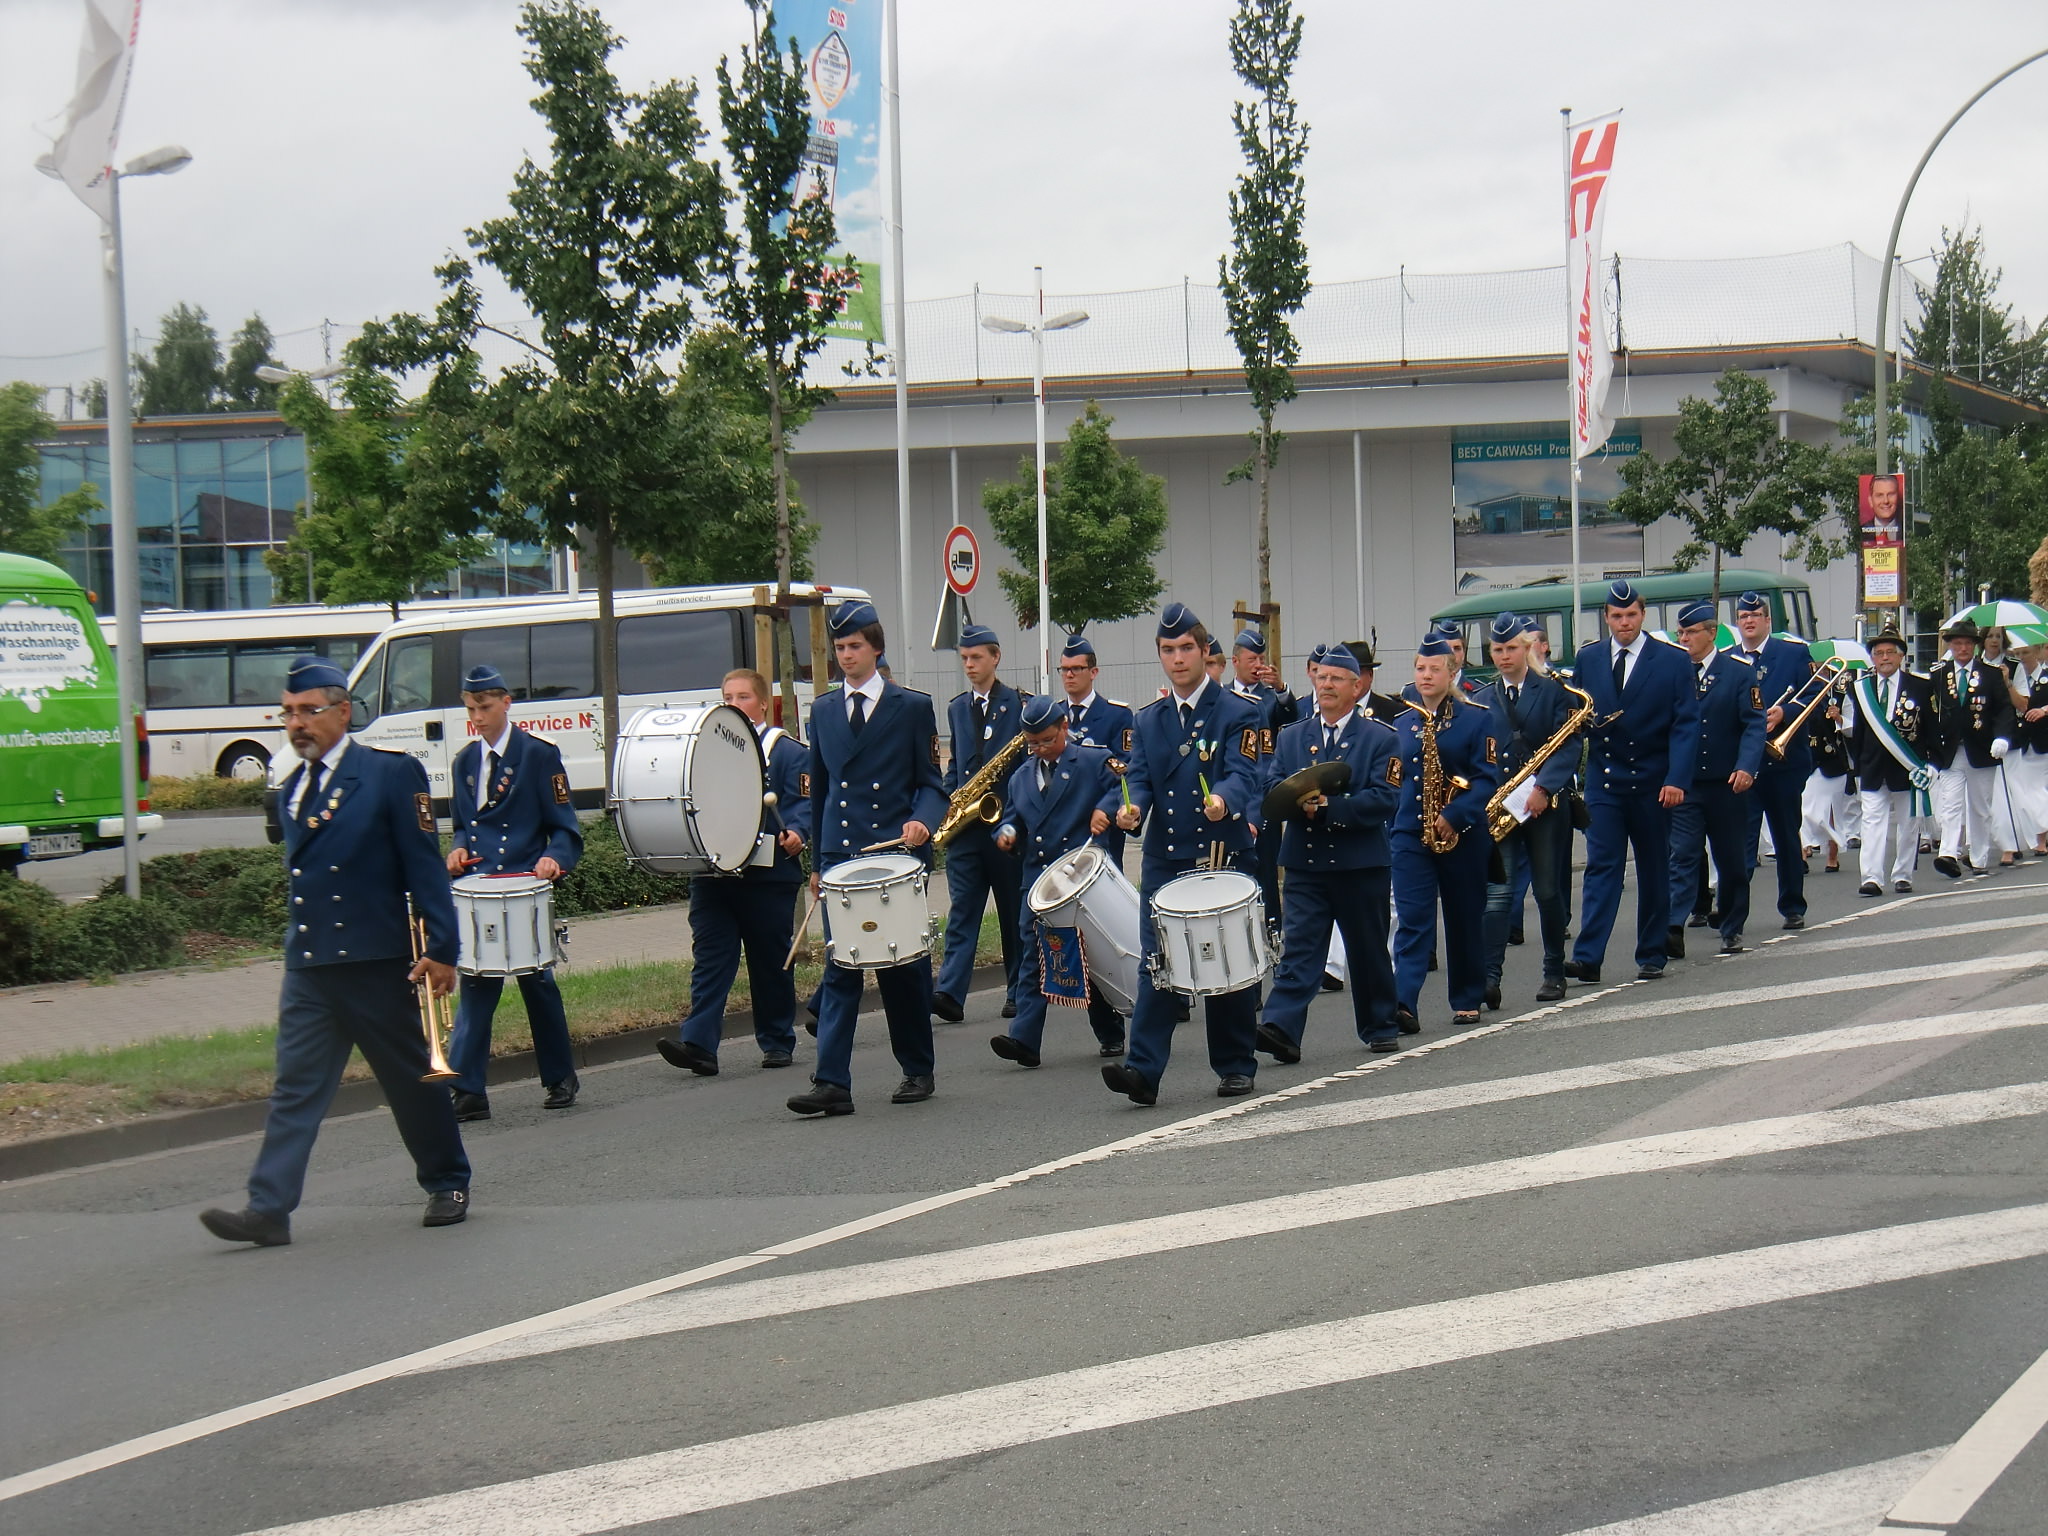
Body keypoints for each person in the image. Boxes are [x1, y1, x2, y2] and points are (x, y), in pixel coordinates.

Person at [199, 657, 471, 1246]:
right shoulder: (293, 788)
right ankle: (268, 1209)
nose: (297, 724)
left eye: (309, 711)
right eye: (288, 713)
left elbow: (424, 868)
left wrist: (443, 949)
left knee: (410, 1080)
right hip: (312, 965)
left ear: (343, 712)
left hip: (375, 962)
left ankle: (448, 1181)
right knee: (295, 1087)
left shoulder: (387, 775)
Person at [788, 600, 950, 1116]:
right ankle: (832, 1082)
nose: (846, 656)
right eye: (839, 647)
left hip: (893, 855)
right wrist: (817, 864)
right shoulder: (824, 711)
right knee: (842, 966)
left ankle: (917, 1069)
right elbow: (820, 792)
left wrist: (922, 821)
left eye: (854, 646)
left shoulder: (911, 707)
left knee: (902, 967)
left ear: (876, 649)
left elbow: (932, 785)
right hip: (842, 855)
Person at [1100, 602, 1266, 1105]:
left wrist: (1224, 801)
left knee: (1225, 957)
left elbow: (1244, 773)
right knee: (1158, 961)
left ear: (1204, 650)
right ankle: (1143, 1071)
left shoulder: (1239, 711)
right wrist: (1131, 811)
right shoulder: (1149, 719)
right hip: (1167, 856)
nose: (1178, 658)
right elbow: (1141, 779)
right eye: (1168, 650)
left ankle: (1235, 1064)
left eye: (1186, 648)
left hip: (1220, 852)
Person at [442, 665, 584, 1121]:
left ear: (506, 703)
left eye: (484, 707)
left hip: (524, 888)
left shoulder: (538, 755)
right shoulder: (464, 761)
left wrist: (554, 859)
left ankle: (560, 1076)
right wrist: (457, 849)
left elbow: (565, 828)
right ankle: (468, 1089)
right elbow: (463, 826)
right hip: (481, 891)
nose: (477, 717)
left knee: (537, 983)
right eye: (470, 709)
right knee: (476, 985)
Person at [657, 668, 813, 1076]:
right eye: (727, 697)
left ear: (763, 704)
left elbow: (804, 803)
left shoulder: (786, 751)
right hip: (714, 875)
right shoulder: (704, 750)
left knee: (769, 961)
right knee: (711, 958)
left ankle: (777, 1040)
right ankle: (699, 1044)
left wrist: (798, 832)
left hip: (768, 876)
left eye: (743, 697)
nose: (734, 704)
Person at [1255, 643, 1402, 1059]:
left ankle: (1380, 1024)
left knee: (1367, 949)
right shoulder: (1292, 736)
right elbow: (1271, 785)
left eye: (1337, 678)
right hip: (1306, 862)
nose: (1327, 685)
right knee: (1300, 948)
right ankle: (1281, 1027)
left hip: (1361, 864)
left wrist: (1331, 808)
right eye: (1321, 677)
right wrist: (1297, 799)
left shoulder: (1380, 738)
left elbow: (1385, 797)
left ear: (1357, 687)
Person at [1566, 580, 1700, 985]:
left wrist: (1677, 779)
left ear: (1642, 615)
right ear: (1606, 618)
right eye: (1617, 616)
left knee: (1653, 868)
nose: (1624, 623)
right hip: (1605, 781)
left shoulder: (1672, 660)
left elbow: (1685, 725)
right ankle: (1588, 957)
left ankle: (1652, 951)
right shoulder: (1589, 658)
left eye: (1631, 615)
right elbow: (1576, 717)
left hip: (1653, 781)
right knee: (1601, 867)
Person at [990, 696, 1127, 1066]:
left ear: (1064, 727)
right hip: (1039, 881)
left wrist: (1104, 809)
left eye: (1047, 740)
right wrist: (1006, 834)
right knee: (1033, 957)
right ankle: (1024, 1039)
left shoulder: (1093, 760)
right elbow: (1012, 818)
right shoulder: (1021, 777)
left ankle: (1110, 1031)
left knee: (1090, 954)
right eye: (1032, 743)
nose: (1040, 749)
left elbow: (1123, 786)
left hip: (1082, 876)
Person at [1389, 631, 1501, 1028]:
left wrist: (1456, 815)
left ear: (1452, 673)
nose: (1425, 676)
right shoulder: (1402, 722)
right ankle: (1403, 1001)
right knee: (1413, 919)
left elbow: (1487, 780)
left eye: (1434, 669)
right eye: (1420, 668)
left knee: (1463, 916)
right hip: (1411, 831)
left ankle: (1467, 997)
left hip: (1461, 834)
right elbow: (1393, 779)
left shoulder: (1476, 719)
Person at [1479, 612, 1580, 1006]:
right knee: (1498, 894)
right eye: (1497, 650)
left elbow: (1568, 744)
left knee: (1548, 891)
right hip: (1502, 808)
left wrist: (1544, 787)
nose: (1504, 656)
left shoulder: (1553, 690)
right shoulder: (1483, 697)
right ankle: (1490, 978)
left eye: (1511, 648)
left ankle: (1554, 972)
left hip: (1543, 805)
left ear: (1526, 649)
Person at [934, 623, 1027, 1022]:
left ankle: (1018, 990)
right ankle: (949, 992)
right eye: (964, 658)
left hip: (1005, 827)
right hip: (967, 828)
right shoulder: (957, 708)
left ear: (995, 657)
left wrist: (1018, 818)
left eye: (976, 657)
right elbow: (956, 764)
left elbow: (1026, 768)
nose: (969, 665)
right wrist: (947, 802)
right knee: (962, 913)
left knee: (1012, 914)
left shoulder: (1020, 705)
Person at [1663, 601, 1765, 960]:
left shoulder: (1738, 673)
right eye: (1681, 633)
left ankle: (1732, 926)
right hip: (1686, 783)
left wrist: (1746, 766)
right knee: (1682, 855)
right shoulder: (1673, 673)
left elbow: (1754, 724)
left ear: (1711, 633)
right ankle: (1673, 926)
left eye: (1691, 632)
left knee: (1731, 858)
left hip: (1727, 783)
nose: (1684, 639)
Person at [1730, 592, 1815, 930]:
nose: (1749, 621)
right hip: (1743, 764)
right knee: (1741, 841)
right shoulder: (1728, 658)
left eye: (1755, 616)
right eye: (1743, 616)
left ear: (1768, 620)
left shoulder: (1793, 654)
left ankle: (1793, 906)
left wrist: (1786, 712)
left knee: (1785, 836)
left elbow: (1815, 695)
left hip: (1784, 763)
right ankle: (1734, 911)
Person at [1840, 628, 1938, 895]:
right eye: (1879, 653)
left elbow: (1930, 727)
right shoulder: (1860, 688)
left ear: (1901, 656)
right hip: (1872, 767)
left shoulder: (1920, 686)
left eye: (1890, 653)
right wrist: (1857, 768)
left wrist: (1932, 762)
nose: (1884, 658)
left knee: (1908, 824)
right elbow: (1859, 731)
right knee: (1872, 823)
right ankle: (1871, 878)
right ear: (1872, 658)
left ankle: (1903, 875)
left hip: (1907, 768)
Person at [1927, 618, 2016, 877]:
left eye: (1967, 643)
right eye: (1957, 644)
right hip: (1950, 750)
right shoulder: (1938, 675)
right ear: (1950, 646)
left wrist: (2002, 737)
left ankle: (1978, 856)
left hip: (1981, 748)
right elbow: (1931, 713)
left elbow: (2003, 710)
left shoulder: (1990, 674)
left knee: (1979, 806)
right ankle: (1948, 853)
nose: (1963, 648)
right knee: (1950, 803)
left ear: (1975, 646)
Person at [1054, 632, 1135, 865]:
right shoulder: (1054, 716)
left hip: (1099, 824)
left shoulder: (1116, 715)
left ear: (1093, 672)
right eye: (1064, 669)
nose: (1069, 675)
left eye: (1076, 669)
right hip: (1061, 824)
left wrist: (1107, 809)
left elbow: (1124, 770)